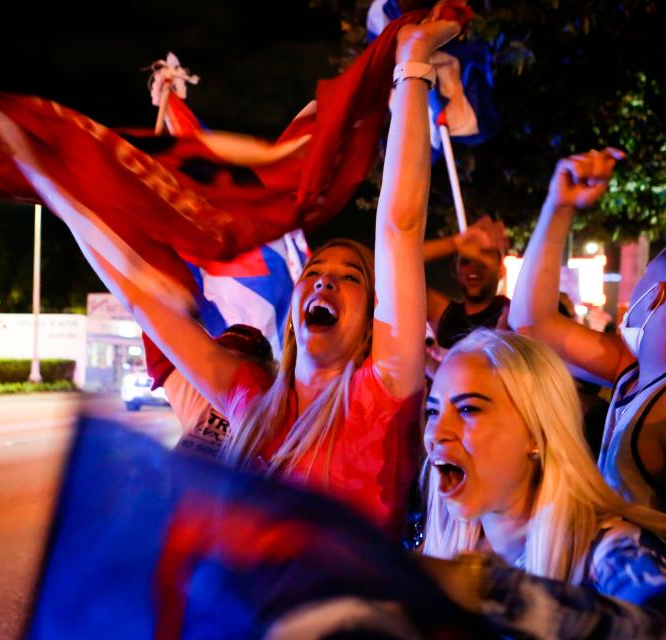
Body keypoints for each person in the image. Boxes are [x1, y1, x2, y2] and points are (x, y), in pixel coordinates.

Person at [76, 10, 464, 536]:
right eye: (317, 271)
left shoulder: (386, 389)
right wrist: (65, 186)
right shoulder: (250, 399)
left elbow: (399, 225)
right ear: (291, 317)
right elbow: (140, 294)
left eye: (350, 277)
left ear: (374, 324)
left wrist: (414, 66)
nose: (324, 280)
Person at [508, 150, 666, 624]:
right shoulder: (637, 370)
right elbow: (532, 323)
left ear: (657, 294)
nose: (632, 299)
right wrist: (558, 205)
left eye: (643, 281)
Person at [421, 329, 666, 637]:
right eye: (432, 411)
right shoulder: (443, 547)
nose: (436, 432)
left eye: (468, 409)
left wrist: (486, 588)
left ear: (536, 433)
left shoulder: (612, 552)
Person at [141, 325, 276, 460]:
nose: (222, 367)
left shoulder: (275, 410)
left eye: (233, 360)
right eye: (219, 356)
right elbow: (157, 337)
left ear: (263, 369)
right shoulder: (199, 392)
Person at [424, 216, 510, 349]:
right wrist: (453, 243)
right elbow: (390, 264)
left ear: (501, 270)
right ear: (455, 271)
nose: (473, 266)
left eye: (483, 257)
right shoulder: (445, 316)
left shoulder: (513, 314)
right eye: (466, 261)